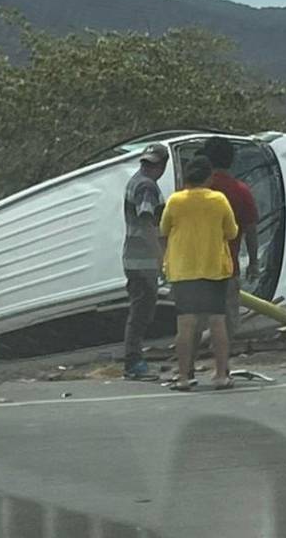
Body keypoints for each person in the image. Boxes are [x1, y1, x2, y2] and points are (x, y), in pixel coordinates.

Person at [181, 138, 259, 384]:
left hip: (191, 266)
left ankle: (186, 370)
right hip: (226, 266)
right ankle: (221, 371)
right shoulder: (240, 191)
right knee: (224, 321)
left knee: (191, 322)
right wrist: (254, 261)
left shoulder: (187, 194)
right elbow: (250, 229)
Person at [161, 156, 238, 391]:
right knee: (217, 321)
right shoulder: (219, 199)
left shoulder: (175, 201)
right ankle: (221, 375)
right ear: (209, 177)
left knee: (185, 325)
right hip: (214, 267)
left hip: (183, 270)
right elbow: (232, 231)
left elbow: (164, 229)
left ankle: (184, 376)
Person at [121, 143, 169, 380]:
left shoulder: (136, 181)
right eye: (147, 163)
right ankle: (133, 363)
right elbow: (147, 224)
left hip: (134, 257)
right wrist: (161, 258)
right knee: (141, 312)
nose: (149, 167)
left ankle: (135, 358)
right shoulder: (146, 187)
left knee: (141, 310)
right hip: (142, 260)